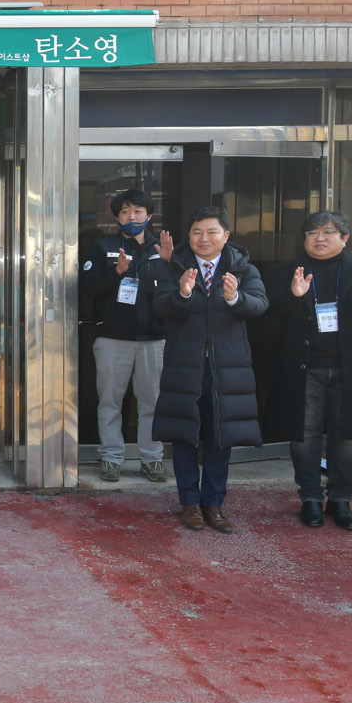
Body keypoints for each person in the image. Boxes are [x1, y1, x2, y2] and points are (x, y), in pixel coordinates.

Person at [266, 210, 352, 530]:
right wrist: (294, 296)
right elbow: (270, 311)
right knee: (303, 436)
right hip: (304, 367)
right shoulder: (289, 270)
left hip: (350, 368)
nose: (319, 238)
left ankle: (341, 499)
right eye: (312, 233)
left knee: (348, 438)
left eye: (328, 232)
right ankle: (310, 497)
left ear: (345, 238)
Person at [151, 208, 268, 532]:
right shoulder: (175, 266)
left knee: (221, 436)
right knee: (184, 434)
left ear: (226, 236)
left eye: (212, 231)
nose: (204, 238)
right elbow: (160, 306)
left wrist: (235, 298)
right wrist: (182, 294)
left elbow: (260, 305)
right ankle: (189, 502)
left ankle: (213, 504)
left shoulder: (243, 268)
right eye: (197, 232)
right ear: (189, 236)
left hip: (228, 368)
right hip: (185, 365)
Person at [79, 188, 175, 483]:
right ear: (117, 217)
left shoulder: (163, 248)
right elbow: (87, 285)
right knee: (110, 401)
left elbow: (179, 291)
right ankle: (111, 457)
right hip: (112, 338)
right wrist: (116, 272)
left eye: (138, 211)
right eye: (125, 212)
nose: (132, 217)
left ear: (149, 215)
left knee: (152, 402)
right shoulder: (102, 247)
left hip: (154, 339)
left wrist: (172, 263)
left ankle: (152, 458)